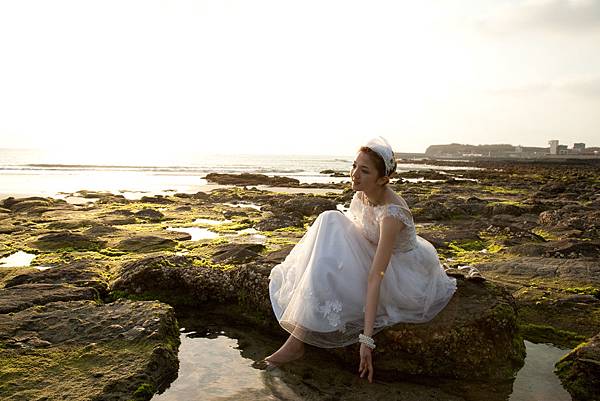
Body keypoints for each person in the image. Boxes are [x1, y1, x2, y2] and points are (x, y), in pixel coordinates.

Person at [266, 137, 457, 383]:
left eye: (364, 170)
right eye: (354, 165)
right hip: (371, 249)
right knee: (329, 219)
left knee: (328, 259)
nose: (355, 174)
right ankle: (297, 341)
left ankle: (296, 343)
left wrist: (366, 341)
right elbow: (354, 229)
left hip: (397, 272)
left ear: (383, 179)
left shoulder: (392, 215)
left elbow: (376, 277)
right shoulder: (363, 193)